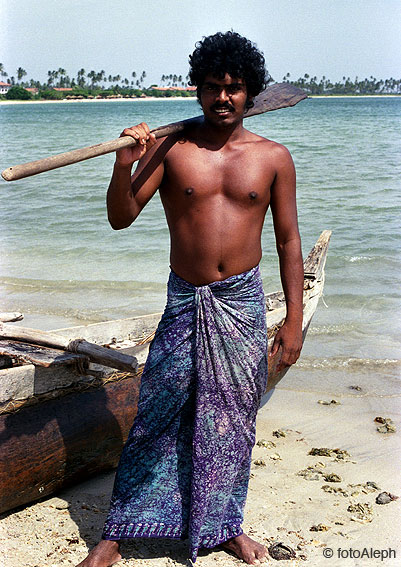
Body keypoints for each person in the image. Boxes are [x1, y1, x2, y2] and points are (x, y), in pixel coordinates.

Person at [77, 31, 304, 567]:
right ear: (197, 90)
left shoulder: (273, 158)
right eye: (213, 88)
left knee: (232, 419)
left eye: (235, 88)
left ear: (251, 93)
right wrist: (124, 163)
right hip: (186, 299)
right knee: (157, 410)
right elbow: (120, 217)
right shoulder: (171, 149)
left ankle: (225, 526)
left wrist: (293, 321)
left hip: (242, 303)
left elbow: (289, 240)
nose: (223, 98)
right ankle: (117, 532)